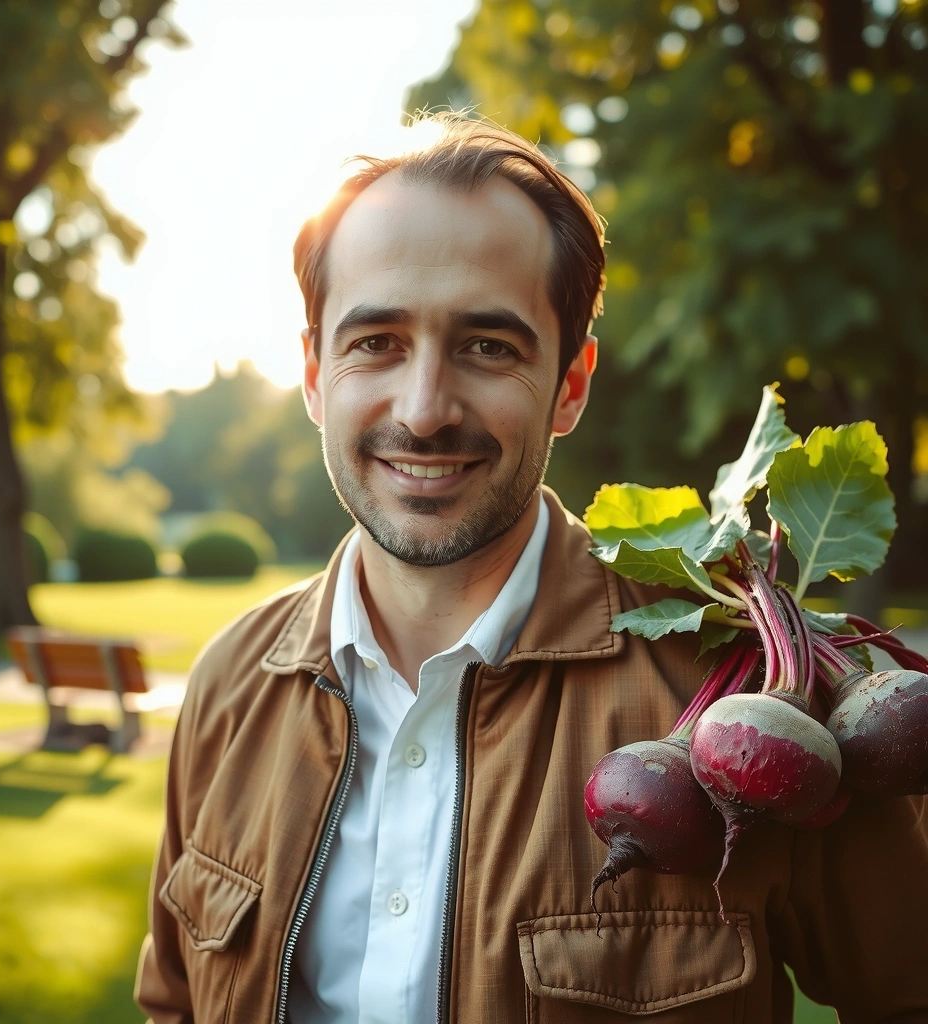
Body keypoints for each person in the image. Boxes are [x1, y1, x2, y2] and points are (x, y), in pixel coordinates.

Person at [134, 113, 928, 1024]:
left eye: (487, 346)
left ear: (572, 384)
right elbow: (175, 1004)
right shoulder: (228, 683)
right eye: (376, 341)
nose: (425, 409)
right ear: (315, 372)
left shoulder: (752, 710)